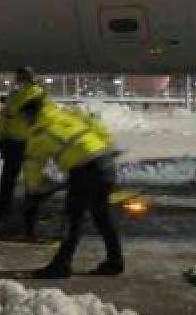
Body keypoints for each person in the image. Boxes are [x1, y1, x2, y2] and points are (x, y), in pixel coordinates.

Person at [19, 98, 124, 278]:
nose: (24, 122)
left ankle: (61, 265)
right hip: (105, 162)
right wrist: (107, 145)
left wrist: (34, 191)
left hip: (84, 170)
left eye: (24, 118)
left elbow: (32, 166)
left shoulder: (39, 133)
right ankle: (115, 262)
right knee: (102, 216)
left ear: (31, 114)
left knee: (73, 219)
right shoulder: (66, 115)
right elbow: (94, 123)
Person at [0, 68, 48, 237]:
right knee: (12, 184)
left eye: (21, 78)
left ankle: (26, 224)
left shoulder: (38, 95)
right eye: (18, 77)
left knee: (26, 186)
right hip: (15, 145)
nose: (18, 80)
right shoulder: (15, 95)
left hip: (28, 145)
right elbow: (4, 118)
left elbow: (43, 120)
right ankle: (8, 221)